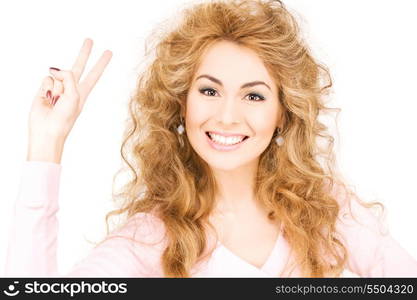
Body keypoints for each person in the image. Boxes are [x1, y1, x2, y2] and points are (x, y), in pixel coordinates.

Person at [4, 0, 417, 278]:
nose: (227, 116)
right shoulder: (153, 237)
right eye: (209, 90)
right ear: (181, 104)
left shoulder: (327, 209)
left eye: (254, 95)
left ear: (282, 113)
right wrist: (47, 142)